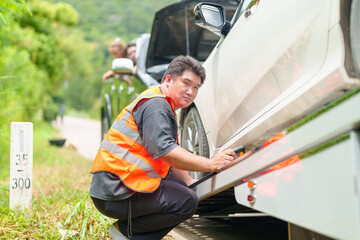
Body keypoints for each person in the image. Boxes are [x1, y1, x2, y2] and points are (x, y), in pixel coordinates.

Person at [90, 55, 236, 240]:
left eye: (196, 87)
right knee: (186, 201)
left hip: (116, 185)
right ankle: (128, 233)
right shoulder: (157, 106)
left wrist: (190, 182)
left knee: (184, 190)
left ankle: (130, 231)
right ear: (168, 80)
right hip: (116, 190)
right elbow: (165, 150)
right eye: (186, 83)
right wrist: (210, 164)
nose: (190, 91)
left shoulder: (159, 102)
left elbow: (168, 156)